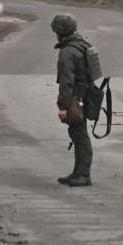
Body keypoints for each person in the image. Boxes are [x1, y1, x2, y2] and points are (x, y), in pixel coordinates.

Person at [51, 13, 94, 187]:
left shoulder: (68, 51)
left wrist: (63, 106)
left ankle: (83, 174)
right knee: (78, 133)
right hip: (85, 94)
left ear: (60, 31)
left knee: (80, 135)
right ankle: (78, 172)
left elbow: (66, 81)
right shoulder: (82, 44)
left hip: (76, 98)